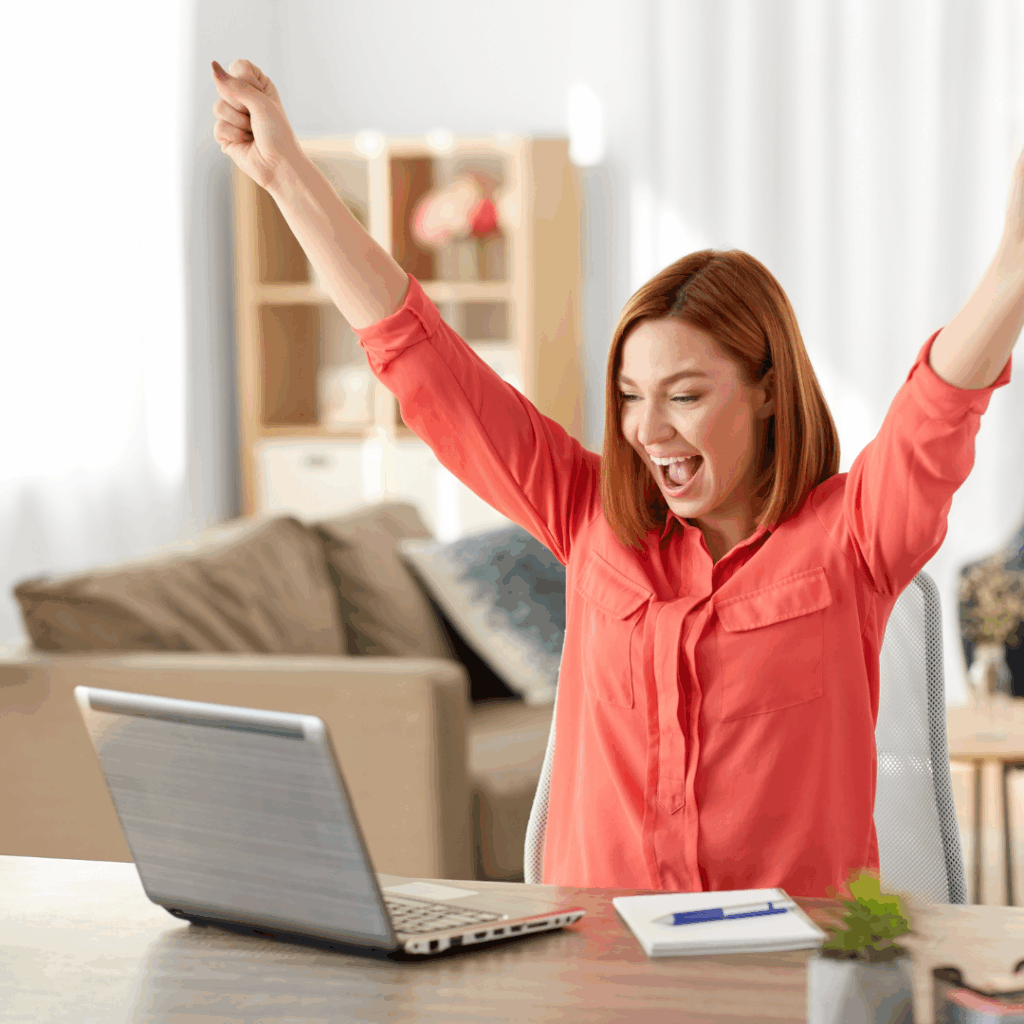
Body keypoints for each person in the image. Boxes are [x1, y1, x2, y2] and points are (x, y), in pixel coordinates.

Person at [211, 58, 1024, 898]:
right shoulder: (587, 516)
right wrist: (285, 174)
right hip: (592, 956)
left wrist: (1013, 267)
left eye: (685, 396)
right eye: (631, 397)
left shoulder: (853, 539)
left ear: (768, 390)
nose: (649, 430)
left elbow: (939, 405)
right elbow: (423, 362)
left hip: (781, 960)